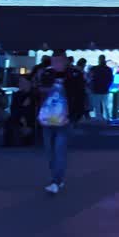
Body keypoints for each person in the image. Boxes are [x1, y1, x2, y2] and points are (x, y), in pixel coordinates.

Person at [37, 50, 86, 194]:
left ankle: (56, 180)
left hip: (65, 118)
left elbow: (80, 95)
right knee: (50, 150)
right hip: (48, 117)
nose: (55, 64)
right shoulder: (47, 73)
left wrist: (75, 115)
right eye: (53, 61)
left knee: (59, 149)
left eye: (58, 61)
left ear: (65, 61)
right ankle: (57, 176)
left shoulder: (74, 75)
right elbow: (40, 91)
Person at [6, 75, 38, 147]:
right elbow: (13, 108)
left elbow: (32, 110)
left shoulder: (33, 95)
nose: (20, 84)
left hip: (29, 119)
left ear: (28, 83)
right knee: (10, 121)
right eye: (19, 82)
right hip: (19, 116)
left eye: (22, 82)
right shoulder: (17, 94)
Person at [89, 55, 113, 121]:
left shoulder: (94, 68)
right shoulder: (108, 69)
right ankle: (108, 118)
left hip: (96, 90)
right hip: (105, 90)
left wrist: (91, 86)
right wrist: (107, 86)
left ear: (98, 60)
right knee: (106, 106)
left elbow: (90, 78)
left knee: (97, 106)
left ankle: (99, 119)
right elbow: (111, 79)